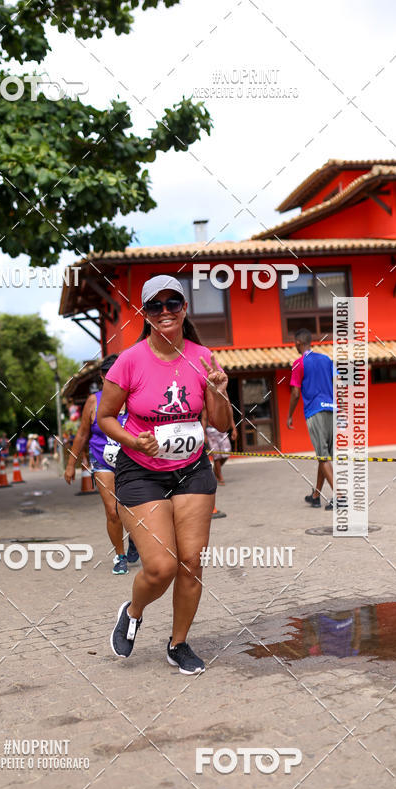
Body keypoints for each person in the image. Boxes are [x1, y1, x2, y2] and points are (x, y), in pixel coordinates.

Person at [97, 275, 231, 674]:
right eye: (156, 306)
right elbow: (105, 417)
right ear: (145, 313)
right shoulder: (130, 360)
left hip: (191, 469)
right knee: (161, 567)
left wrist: (219, 391)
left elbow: (221, 426)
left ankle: (178, 644)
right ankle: (134, 610)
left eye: (174, 303)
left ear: (185, 308)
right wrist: (134, 442)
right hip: (140, 470)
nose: (166, 311)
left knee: (191, 561)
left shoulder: (203, 358)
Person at [64, 356, 138, 575]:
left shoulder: (134, 398)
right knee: (112, 511)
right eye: (107, 374)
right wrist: (71, 464)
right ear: (102, 376)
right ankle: (120, 556)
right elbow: (82, 434)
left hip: (132, 461)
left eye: (116, 372)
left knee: (132, 508)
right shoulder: (93, 401)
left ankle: (134, 537)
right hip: (101, 459)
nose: (111, 377)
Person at [287, 328, 335, 509]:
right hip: (332, 409)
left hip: (315, 412)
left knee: (323, 457)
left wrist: (290, 415)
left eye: (294, 343)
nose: (294, 346)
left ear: (298, 343)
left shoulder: (299, 363)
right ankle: (316, 495)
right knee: (324, 457)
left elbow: (295, 393)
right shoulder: (326, 359)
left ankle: (340, 496)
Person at [204, 401, 237, 485]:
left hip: (222, 430)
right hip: (211, 431)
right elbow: (204, 418)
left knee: (227, 452)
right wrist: (204, 433)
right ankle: (219, 477)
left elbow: (230, 417)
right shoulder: (206, 401)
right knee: (217, 455)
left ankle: (215, 471)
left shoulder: (224, 400)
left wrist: (234, 429)